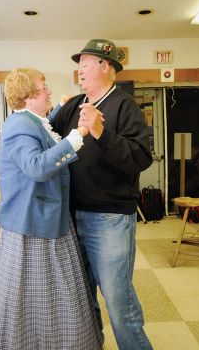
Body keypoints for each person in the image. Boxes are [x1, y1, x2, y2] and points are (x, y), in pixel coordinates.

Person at [52, 39, 154, 350]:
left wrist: (101, 131)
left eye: (84, 65)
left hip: (109, 219)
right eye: (78, 66)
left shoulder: (124, 106)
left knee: (119, 303)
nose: (79, 71)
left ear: (105, 66)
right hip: (71, 218)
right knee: (83, 302)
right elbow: (49, 136)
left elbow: (141, 158)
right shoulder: (73, 105)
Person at [0, 67, 102, 350]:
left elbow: (44, 131)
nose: (49, 91)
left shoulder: (33, 121)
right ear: (28, 97)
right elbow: (37, 167)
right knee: (42, 295)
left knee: (50, 295)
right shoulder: (19, 125)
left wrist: (61, 108)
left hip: (45, 220)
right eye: (44, 87)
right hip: (32, 226)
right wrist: (78, 135)